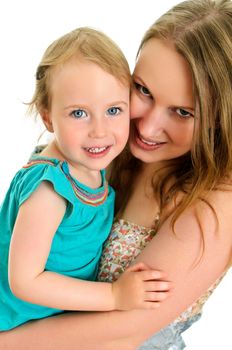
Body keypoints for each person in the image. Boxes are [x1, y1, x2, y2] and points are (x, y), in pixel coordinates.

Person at [0, 0, 231, 348]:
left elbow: (127, 330)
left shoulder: (216, 201)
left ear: (220, 119)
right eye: (143, 90)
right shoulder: (102, 152)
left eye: (183, 112)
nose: (149, 127)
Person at [0, 27, 172, 332]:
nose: (99, 131)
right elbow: (25, 282)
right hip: (14, 323)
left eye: (114, 110)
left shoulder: (91, 165)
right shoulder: (48, 190)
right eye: (79, 113)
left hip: (52, 322)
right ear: (47, 117)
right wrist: (115, 295)